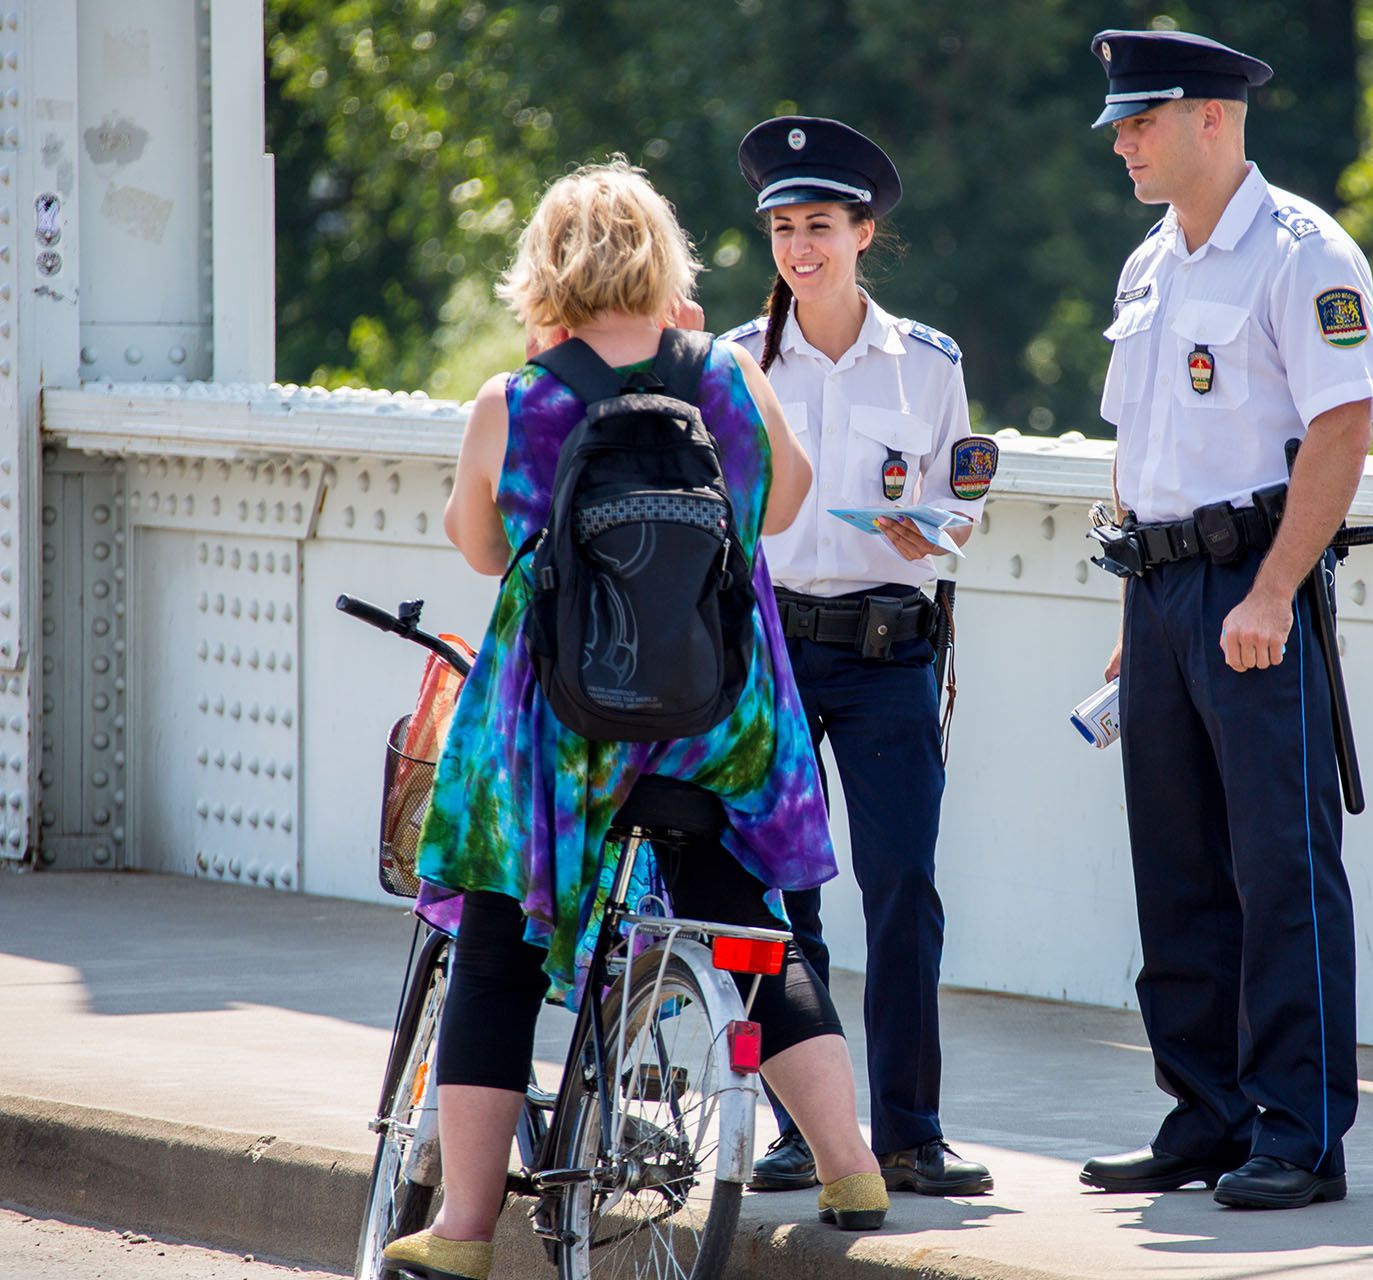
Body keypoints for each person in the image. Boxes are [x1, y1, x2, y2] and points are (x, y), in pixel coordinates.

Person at [379, 158, 889, 1280]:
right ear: (666, 261)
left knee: (499, 947)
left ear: (545, 268)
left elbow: (481, 548)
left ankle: (463, 1230)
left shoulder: (516, 401)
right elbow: (785, 504)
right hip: (715, 717)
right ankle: (852, 1164)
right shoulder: (729, 377)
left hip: (561, 733)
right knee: (743, 918)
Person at [1075, 31, 1373, 1210]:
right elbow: (1137, 451)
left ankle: (1300, 1132)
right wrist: (1133, 609)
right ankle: (1204, 1114)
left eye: (1140, 121)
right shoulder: (1149, 264)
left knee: (1280, 866)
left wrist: (1271, 589)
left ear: (1212, 116)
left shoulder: (1303, 253)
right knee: (1176, 870)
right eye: (1120, 125)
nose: (1122, 142)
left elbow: (1343, 426)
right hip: (1160, 593)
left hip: (1254, 586)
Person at [718, 116, 996, 1198]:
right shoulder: (736, 363)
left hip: (888, 653)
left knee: (903, 889)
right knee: (780, 894)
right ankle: (804, 1128)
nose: (801, 248)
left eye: (821, 226)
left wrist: (936, 532)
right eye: (784, 228)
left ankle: (912, 1131)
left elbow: (959, 496)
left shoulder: (928, 363)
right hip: (772, 653)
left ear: (864, 233)